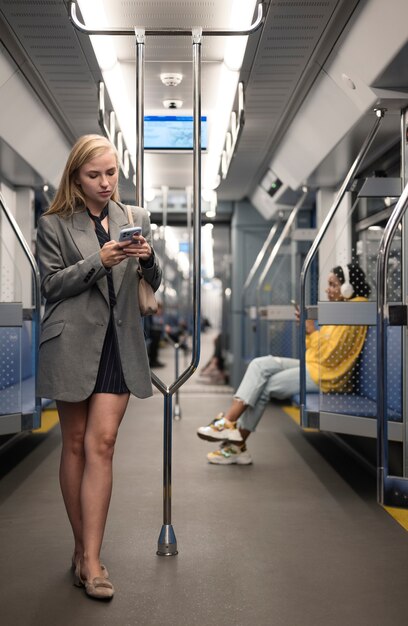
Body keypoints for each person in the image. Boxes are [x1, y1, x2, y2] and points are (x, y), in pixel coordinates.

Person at [36, 134, 162, 600]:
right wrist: (98, 261)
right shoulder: (54, 223)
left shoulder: (135, 219)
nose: (106, 182)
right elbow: (50, 286)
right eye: (95, 175)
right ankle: (81, 550)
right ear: (76, 177)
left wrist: (149, 261)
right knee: (74, 445)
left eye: (111, 173)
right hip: (72, 342)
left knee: (102, 444)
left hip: (119, 340)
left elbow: (153, 280)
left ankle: (92, 559)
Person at [197, 264, 371, 465]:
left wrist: (311, 331)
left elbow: (328, 356)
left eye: (333, 284)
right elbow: (317, 351)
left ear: (348, 287)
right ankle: (228, 424)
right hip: (316, 366)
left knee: (264, 386)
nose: (327, 289)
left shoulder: (354, 311)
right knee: (260, 364)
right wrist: (310, 332)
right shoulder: (341, 309)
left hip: (326, 376)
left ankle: (236, 445)